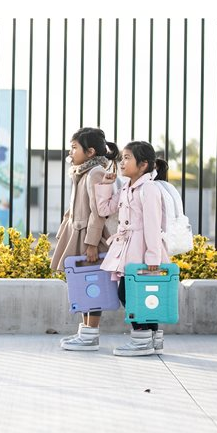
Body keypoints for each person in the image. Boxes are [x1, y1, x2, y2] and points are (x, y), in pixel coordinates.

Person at [95, 140, 170, 356]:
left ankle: (141, 339)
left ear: (143, 164)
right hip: (128, 248)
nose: (121, 162)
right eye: (122, 158)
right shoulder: (127, 187)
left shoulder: (149, 189)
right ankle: (152, 339)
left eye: (127, 158)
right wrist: (106, 184)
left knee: (130, 293)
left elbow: (153, 226)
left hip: (142, 251)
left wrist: (153, 260)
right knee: (140, 294)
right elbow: (104, 209)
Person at [50, 127, 119, 351]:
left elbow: (97, 212)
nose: (70, 152)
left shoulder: (95, 173)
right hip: (77, 233)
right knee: (82, 284)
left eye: (74, 147)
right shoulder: (81, 172)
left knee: (93, 284)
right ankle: (85, 332)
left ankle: (91, 335)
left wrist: (91, 244)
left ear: (90, 152)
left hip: (89, 237)